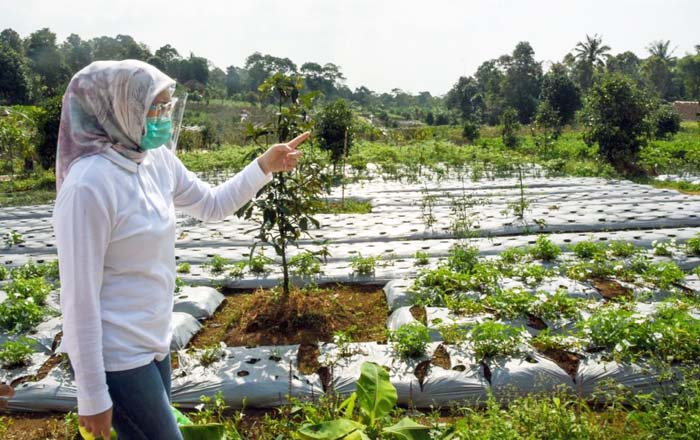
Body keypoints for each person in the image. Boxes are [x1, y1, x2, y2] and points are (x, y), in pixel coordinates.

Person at [53, 59, 308, 439]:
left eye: (168, 106)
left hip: (154, 343)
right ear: (123, 110)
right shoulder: (88, 186)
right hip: (117, 357)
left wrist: (263, 166)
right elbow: (79, 300)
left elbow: (212, 204)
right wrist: (92, 395)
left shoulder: (155, 160)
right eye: (155, 108)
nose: (164, 118)